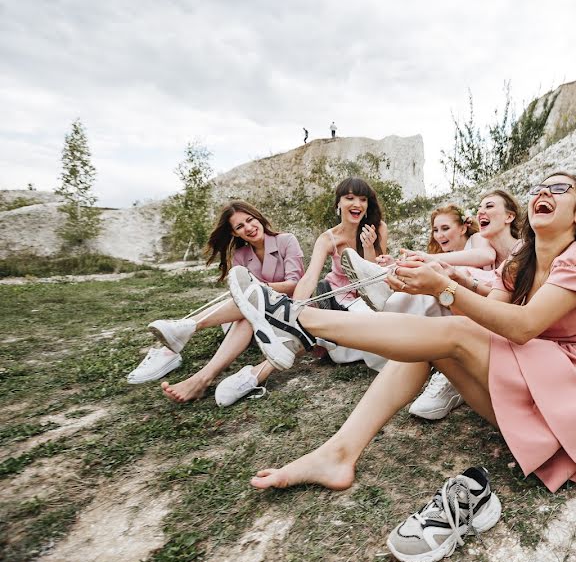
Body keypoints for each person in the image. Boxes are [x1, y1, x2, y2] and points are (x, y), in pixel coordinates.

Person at [227, 171, 576, 500]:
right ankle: (338, 452)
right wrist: (432, 280)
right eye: (538, 188)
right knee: (438, 338)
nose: (542, 194)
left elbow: (523, 325)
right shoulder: (520, 261)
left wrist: (444, 287)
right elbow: (491, 315)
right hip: (537, 387)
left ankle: (300, 323)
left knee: (452, 331)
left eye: (558, 189)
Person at [341, 192, 521, 420]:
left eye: (489, 205)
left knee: (447, 281)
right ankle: (389, 284)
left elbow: (488, 276)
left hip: (497, 324)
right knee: (439, 287)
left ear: (509, 216)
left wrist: (437, 266)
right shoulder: (490, 252)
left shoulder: (515, 250)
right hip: (474, 313)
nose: (481, 211)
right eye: (479, 207)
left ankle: (388, 289)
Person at [126, 201, 304, 407]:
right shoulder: (241, 255)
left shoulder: (286, 241)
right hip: (255, 318)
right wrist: (252, 293)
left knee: (250, 303)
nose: (248, 227)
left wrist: (255, 289)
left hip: (286, 311)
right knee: (249, 310)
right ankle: (185, 349)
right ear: (235, 234)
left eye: (250, 220)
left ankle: (191, 342)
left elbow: (294, 284)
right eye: (239, 226)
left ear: (259, 218)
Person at [224, 176, 389, 385]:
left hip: (372, 293)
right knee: (368, 332)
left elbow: (375, 274)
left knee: (392, 317)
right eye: (350, 198)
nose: (357, 204)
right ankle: (261, 368)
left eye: (363, 199)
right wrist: (294, 310)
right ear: (338, 203)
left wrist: (368, 247)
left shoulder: (378, 228)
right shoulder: (327, 238)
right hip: (340, 298)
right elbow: (309, 277)